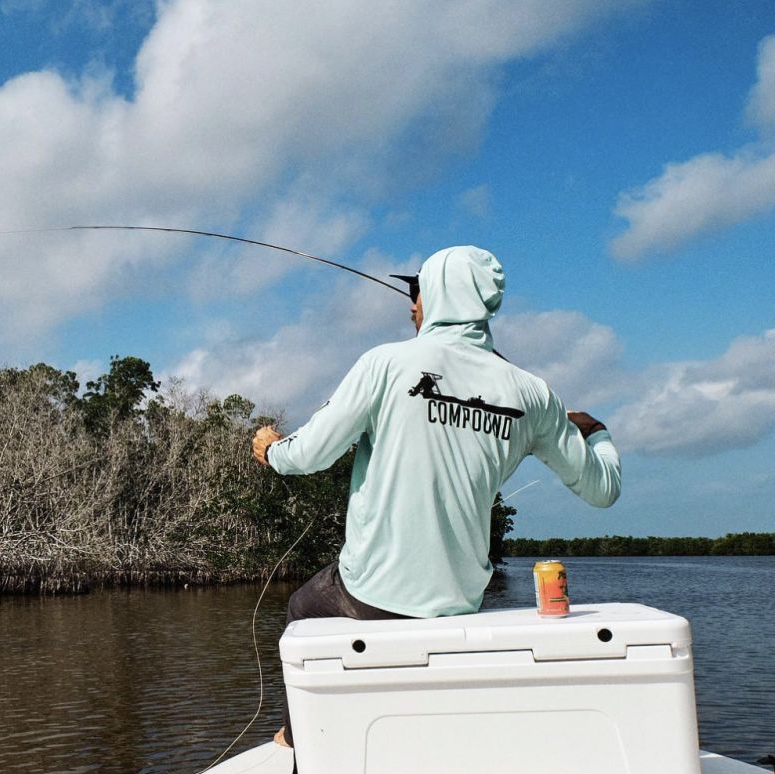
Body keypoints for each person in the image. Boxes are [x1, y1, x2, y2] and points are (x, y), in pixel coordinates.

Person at [252, 245, 621, 747]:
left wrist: (271, 450)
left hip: (370, 594)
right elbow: (604, 491)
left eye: (417, 290)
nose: (411, 305)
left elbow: (308, 455)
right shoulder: (534, 394)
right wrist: (595, 430)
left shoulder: (385, 363)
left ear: (441, 295)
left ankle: (299, 738)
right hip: (460, 600)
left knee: (301, 608)